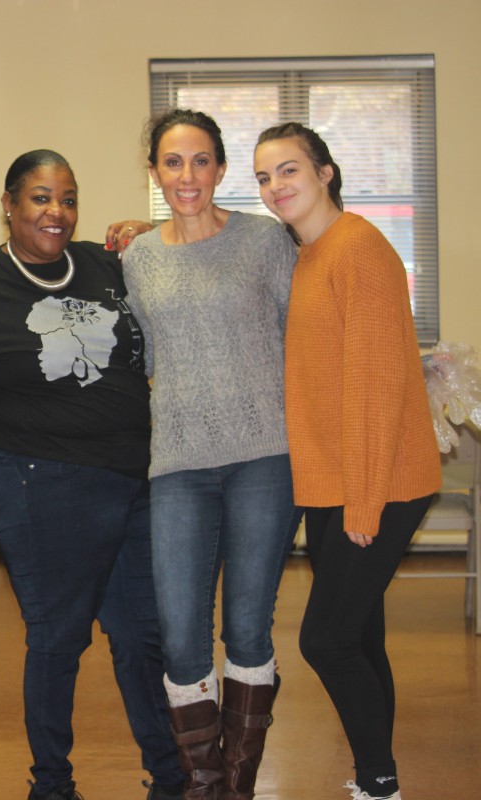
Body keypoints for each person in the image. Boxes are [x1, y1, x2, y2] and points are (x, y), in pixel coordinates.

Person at [0, 150, 185, 800]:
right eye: (40, 198)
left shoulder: (109, 265)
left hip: (133, 480)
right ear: (9, 204)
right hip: (39, 482)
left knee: (143, 635)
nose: (57, 212)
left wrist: (155, 235)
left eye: (68, 198)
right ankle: (51, 786)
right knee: (60, 635)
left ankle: (173, 779)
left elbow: (190, 262)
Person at [254, 124, 440, 800]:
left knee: (325, 641)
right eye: (265, 177)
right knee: (358, 635)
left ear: (326, 172)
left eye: (289, 170)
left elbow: (376, 385)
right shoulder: (308, 254)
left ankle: (379, 781)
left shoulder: (358, 249)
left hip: (378, 483)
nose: (276, 186)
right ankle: (377, 773)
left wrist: (363, 502)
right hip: (334, 483)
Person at [119, 109, 300, 800]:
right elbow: (149, 355)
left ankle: (238, 784)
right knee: (180, 632)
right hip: (180, 465)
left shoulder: (264, 241)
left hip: (264, 455)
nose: (187, 176)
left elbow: (299, 336)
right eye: (172, 162)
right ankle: (203, 784)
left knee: (248, 624)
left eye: (200, 161)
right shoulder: (139, 258)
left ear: (220, 169)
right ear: (155, 172)